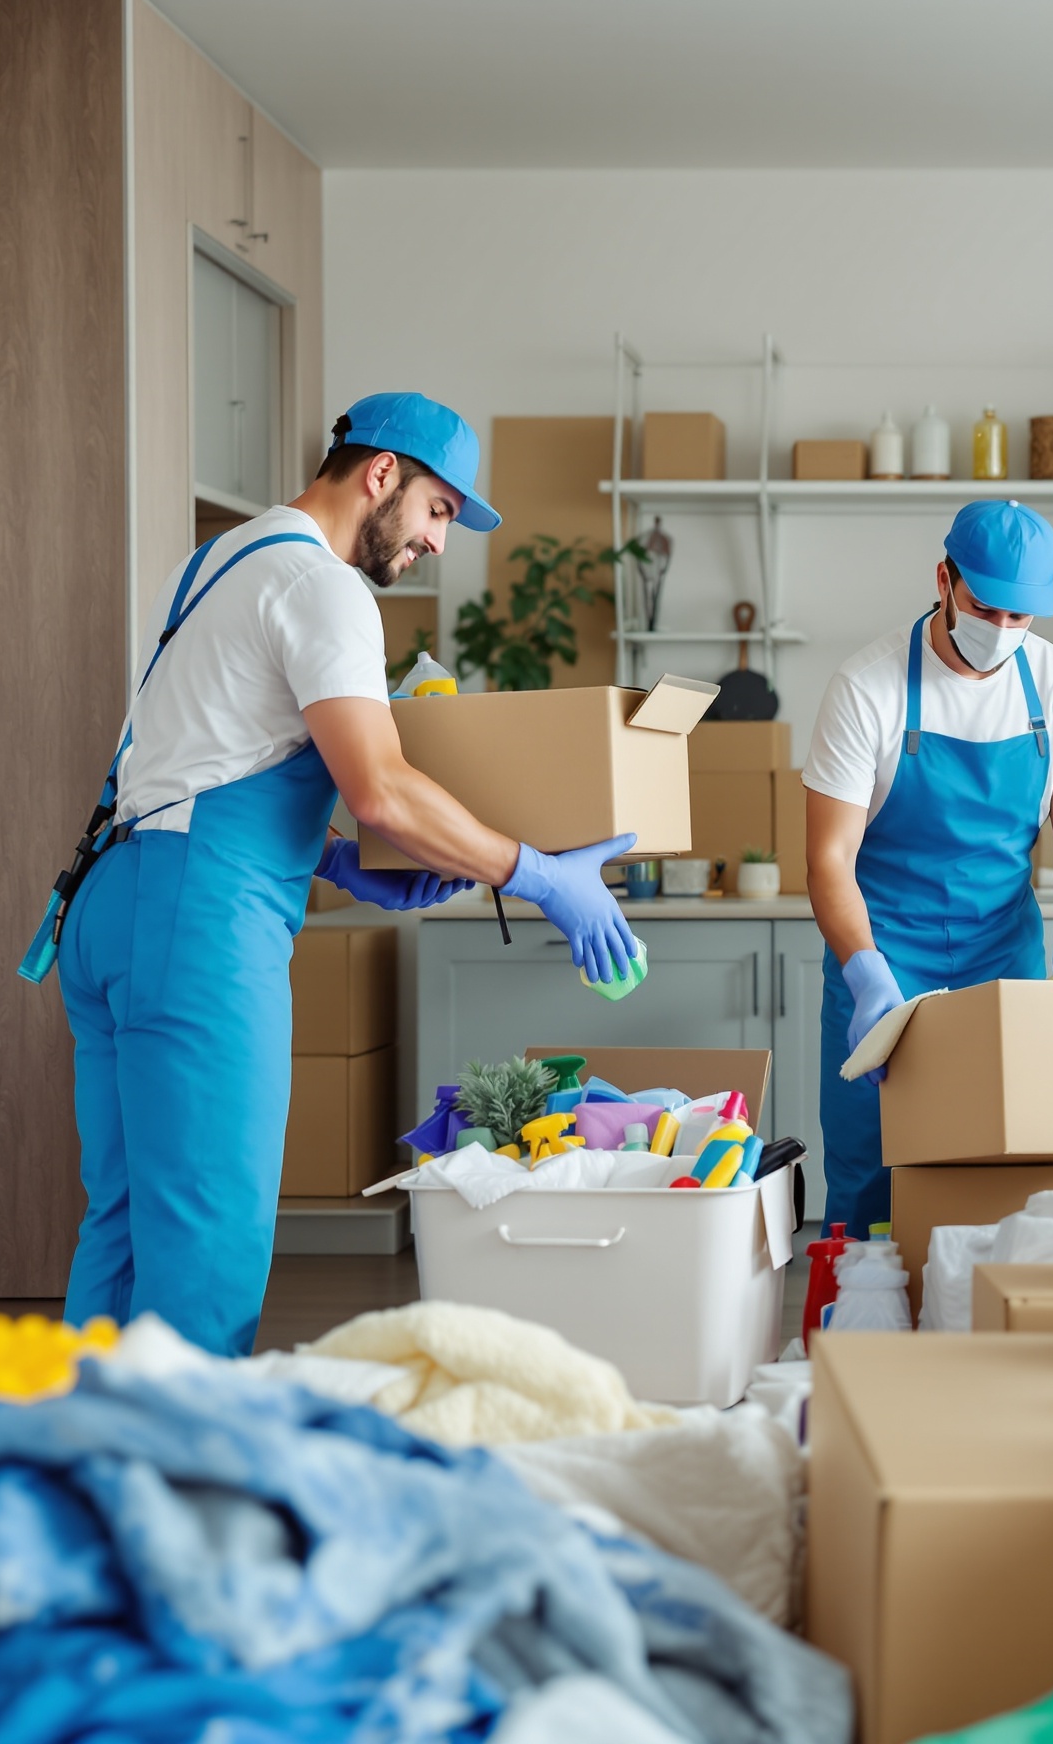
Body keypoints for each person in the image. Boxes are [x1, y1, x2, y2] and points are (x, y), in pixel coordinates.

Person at [39, 393, 642, 1356]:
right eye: (441, 510)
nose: (441, 542)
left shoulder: (212, 565)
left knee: (123, 1228)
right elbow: (385, 790)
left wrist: (334, 865)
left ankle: (78, 1473)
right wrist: (536, 873)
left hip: (117, 900)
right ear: (382, 475)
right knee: (206, 1243)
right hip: (195, 924)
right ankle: (191, 1494)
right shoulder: (324, 588)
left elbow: (201, 761)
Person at [805, 500, 1053, 1231]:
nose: (1003, 631)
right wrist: (864, 971)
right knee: (868, 1169)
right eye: (988, 608)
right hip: (882, 956)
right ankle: (857, 1332)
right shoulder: (868, 687)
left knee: (1011, 1172)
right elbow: (828, 857)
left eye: (1023, 617)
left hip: (1003, 958)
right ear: (944, 580)